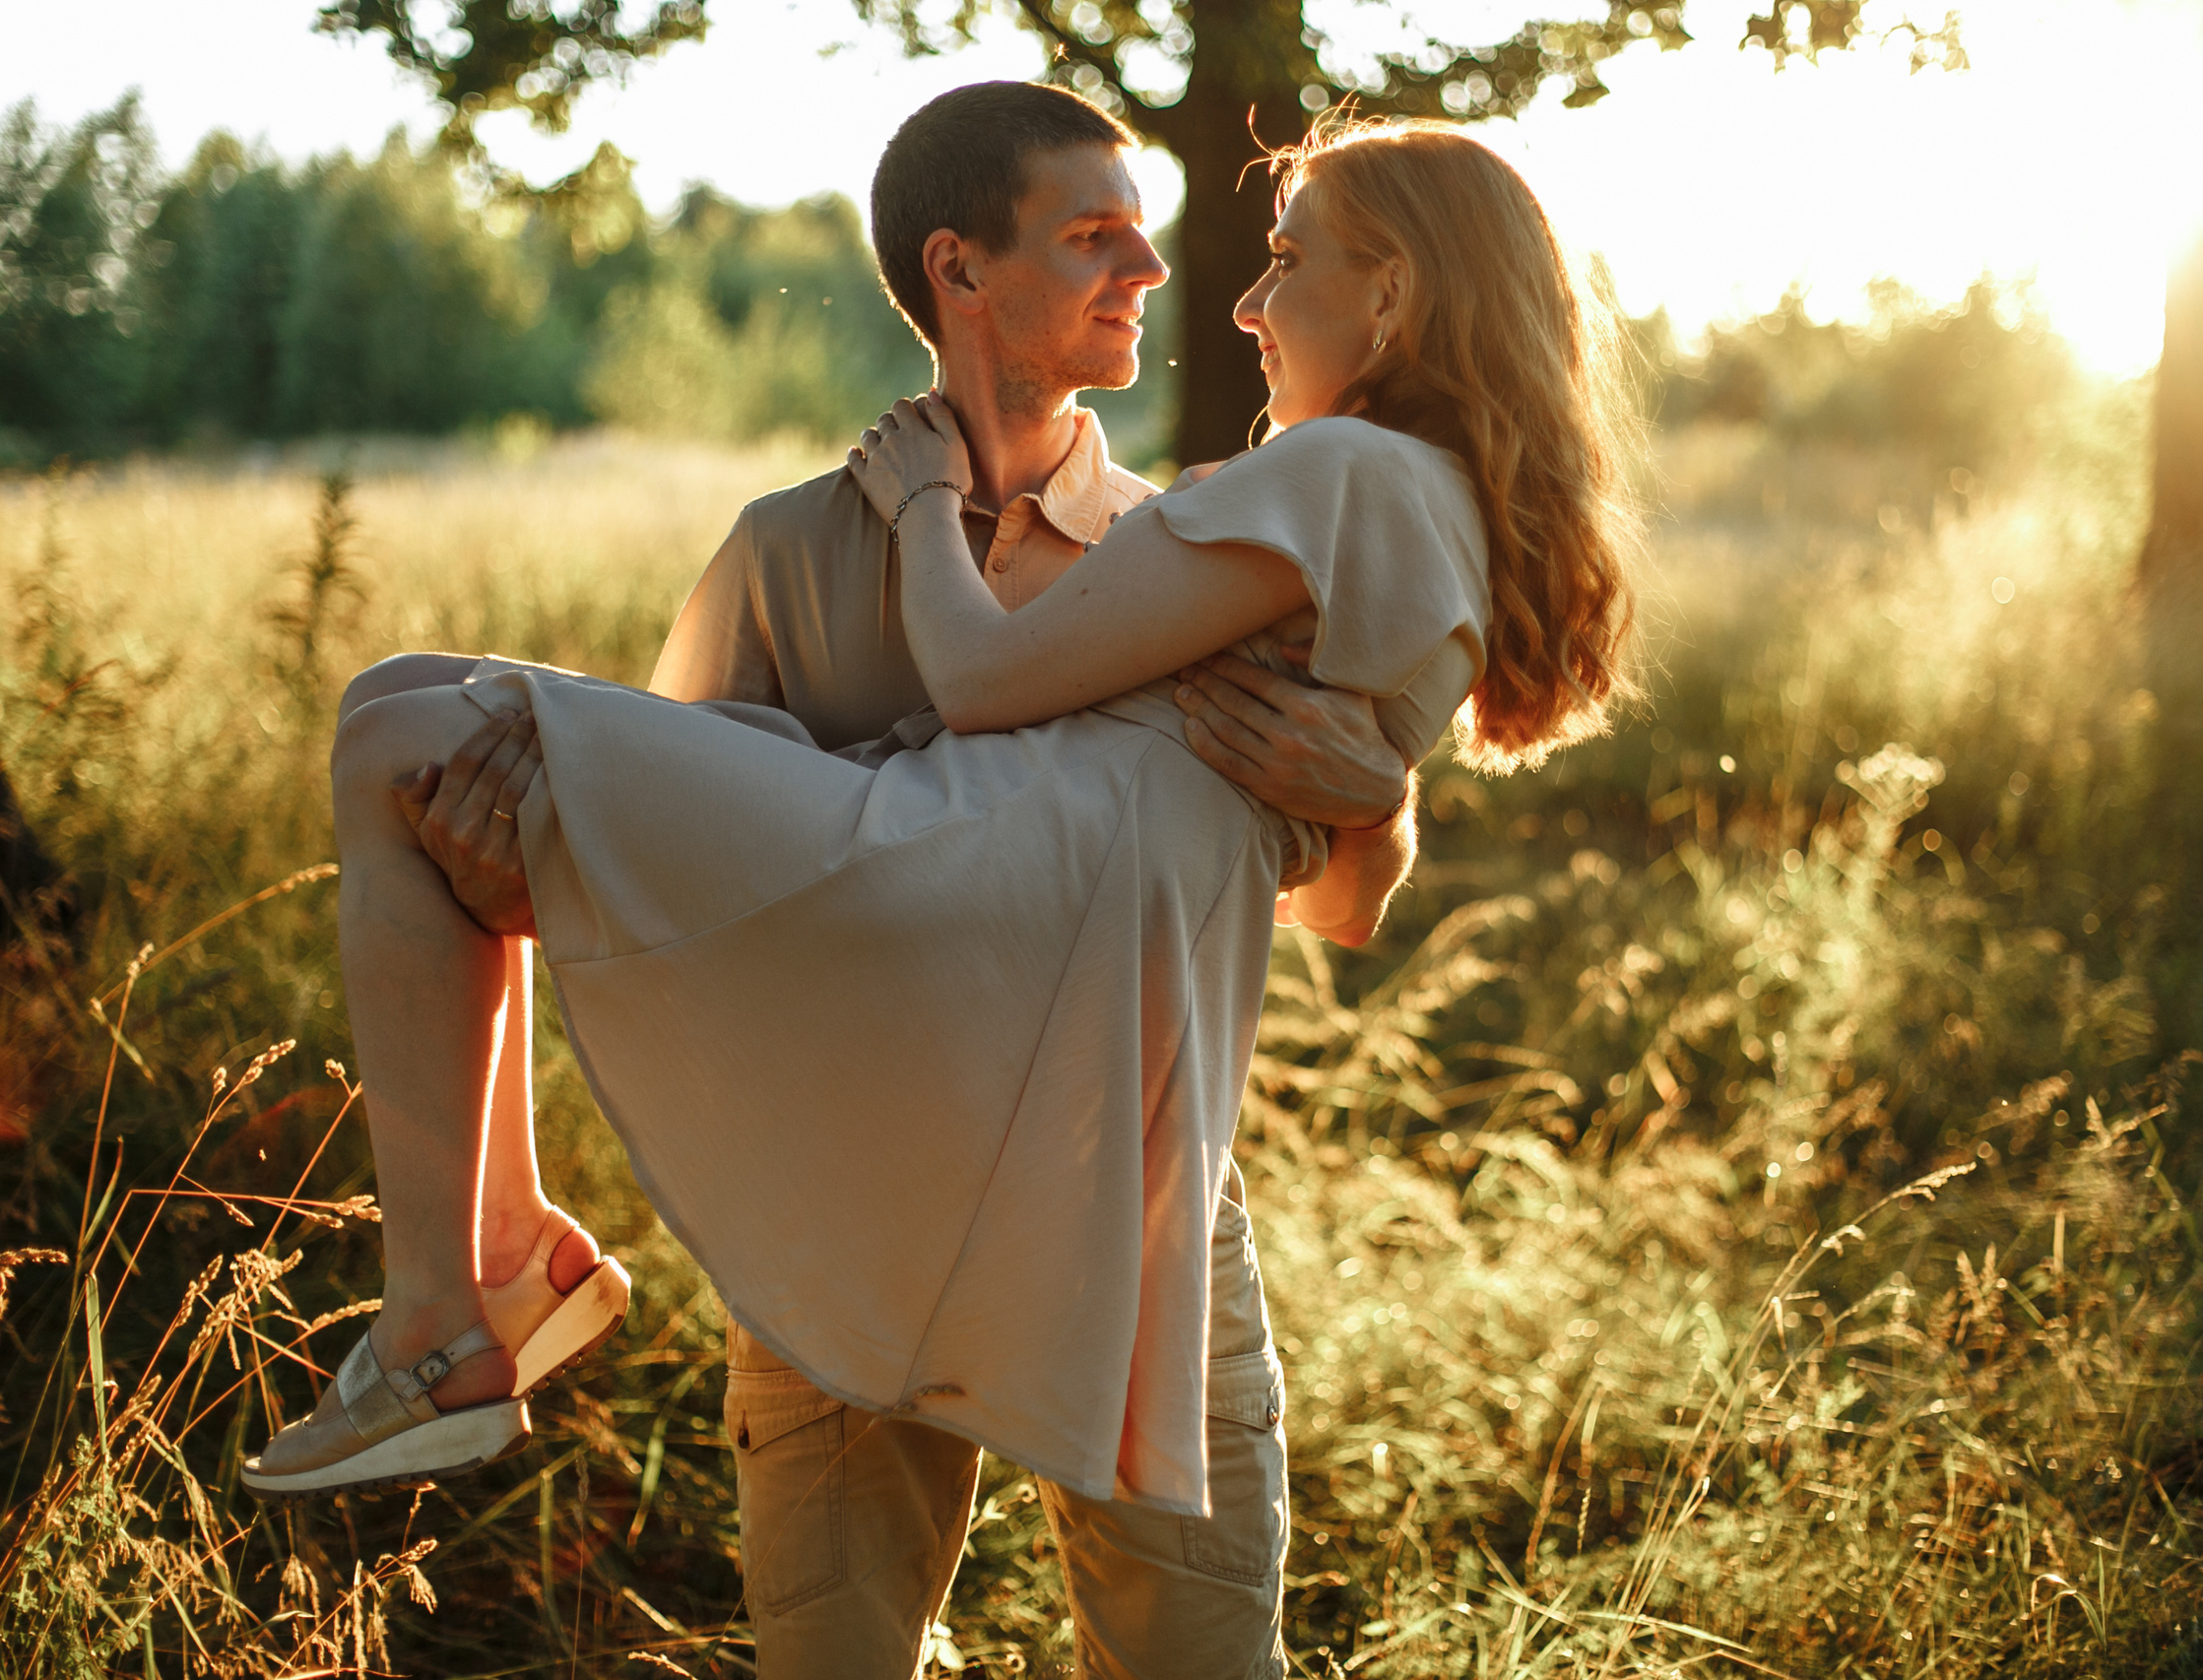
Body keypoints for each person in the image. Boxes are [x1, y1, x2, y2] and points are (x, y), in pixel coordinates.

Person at [243, 88, 1638, 1680]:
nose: (1179, 280)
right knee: (407, 732)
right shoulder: (791, 550)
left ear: (1390, 294)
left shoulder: (1191, 530)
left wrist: (1373, 803)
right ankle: (477, 1277)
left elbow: (1332, 892)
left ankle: (464, 1291)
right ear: (960, 270)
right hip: (851, 1208)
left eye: (1206, 247)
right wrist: (506, 867)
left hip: (1131, 1189)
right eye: (1096, 235)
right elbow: (698, 896)